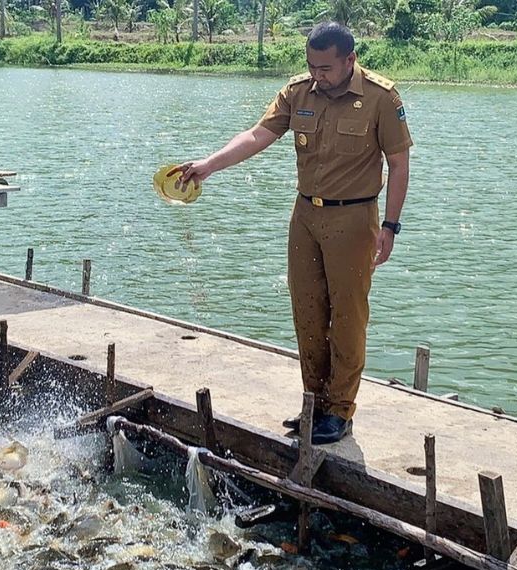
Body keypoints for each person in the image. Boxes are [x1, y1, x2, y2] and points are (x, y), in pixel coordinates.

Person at [174, 21, 411, 444]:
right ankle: (314, 403)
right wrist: (209, 165)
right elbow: (256, 135)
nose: (318, 75)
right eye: (312, 66)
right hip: (305, 215)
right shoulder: (298, 92)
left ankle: (339, 411)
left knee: (348, 318)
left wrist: (390, 226)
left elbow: (399, 164)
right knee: (307, 311)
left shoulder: (380, 98)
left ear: (349, 60)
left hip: (354, 218)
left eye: (326, 68)